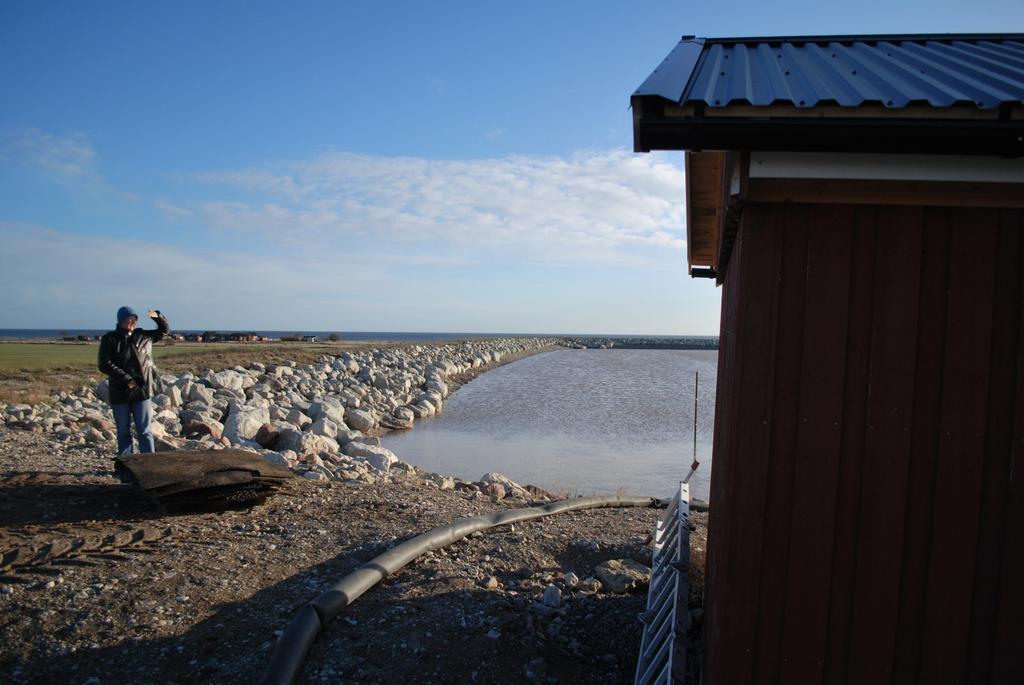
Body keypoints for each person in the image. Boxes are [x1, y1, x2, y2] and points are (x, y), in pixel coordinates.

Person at [98, 306, 169, 455]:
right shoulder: (109, 339)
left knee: (144, 431)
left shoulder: (143, 336)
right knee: (123, 432)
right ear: (120, 320)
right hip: (120, 391)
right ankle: (126, 466)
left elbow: (163, 330)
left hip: (142, 390)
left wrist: (157, 316)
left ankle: (148, 462)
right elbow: (104, 364)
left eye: (134, 318)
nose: (132, 321)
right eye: (128, 318)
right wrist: (126, 379)